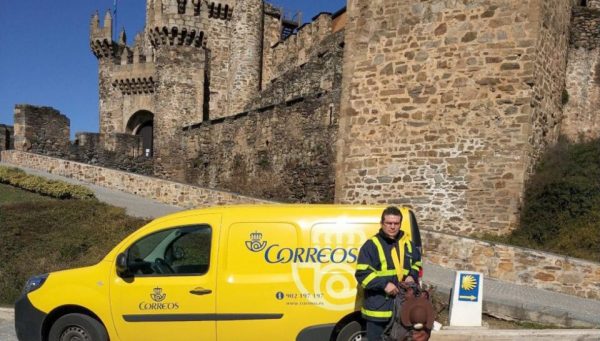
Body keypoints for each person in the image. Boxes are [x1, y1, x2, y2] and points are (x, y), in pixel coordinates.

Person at [355, 206, 422, 341]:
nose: (392, 227)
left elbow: (417, 263)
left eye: (396, 223)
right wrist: (384, 284)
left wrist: (412, 275)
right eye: (389, 223)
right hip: (378, 310)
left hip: (402, 309)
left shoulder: (408, 244)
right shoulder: (371, 245)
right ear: (382, 224)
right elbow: (362, 273)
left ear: (400, 224)